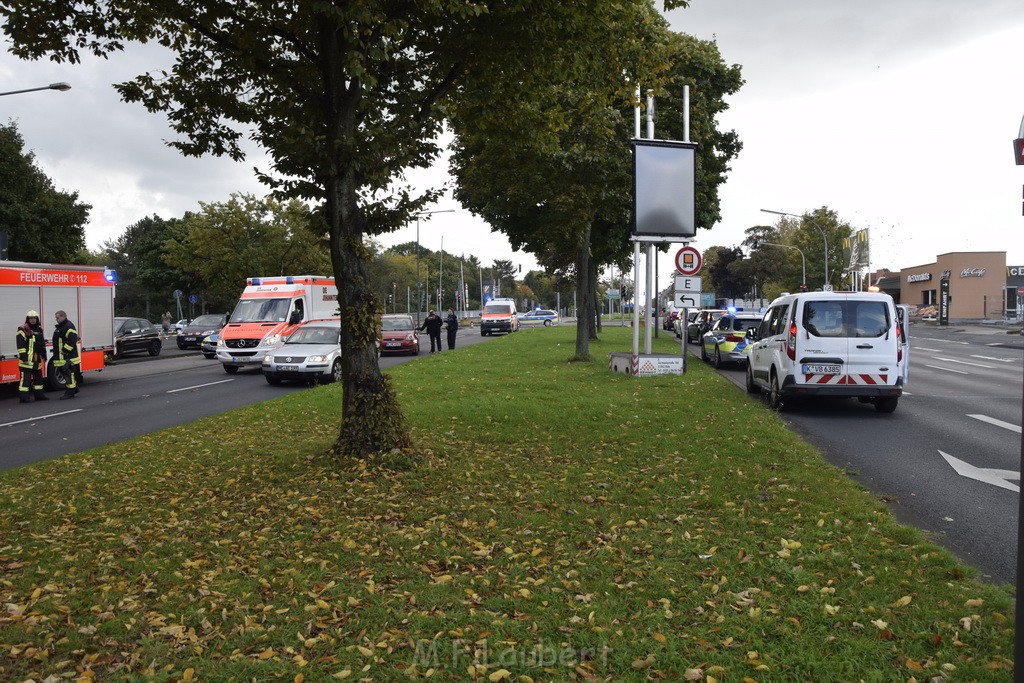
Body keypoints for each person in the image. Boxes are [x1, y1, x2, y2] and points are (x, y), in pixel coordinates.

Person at [15, 310, 49, 403]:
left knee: (38, 380)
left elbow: (42, 344)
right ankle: (23, 398)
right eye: (31, 318)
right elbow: (20, 345)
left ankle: (39, 395)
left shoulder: (39, 329)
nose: (33, 320)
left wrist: (44, 355)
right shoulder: (22, 329)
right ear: (27, 319)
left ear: (37, 319)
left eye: (34, 318)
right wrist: (24, 358)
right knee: (25, 380)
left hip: (36, 360)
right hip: (26, 361)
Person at [52, 310, 81, 400]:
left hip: (68, 357)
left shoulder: (68, 326)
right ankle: (74, 389)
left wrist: (65, 350)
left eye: (58, 317)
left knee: (69, 374)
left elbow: (72, 340)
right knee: (66, 373)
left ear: (63, 316)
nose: (56, 319)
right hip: (62, 357)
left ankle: (70, 392)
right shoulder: (61, 327)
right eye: (56, 318)